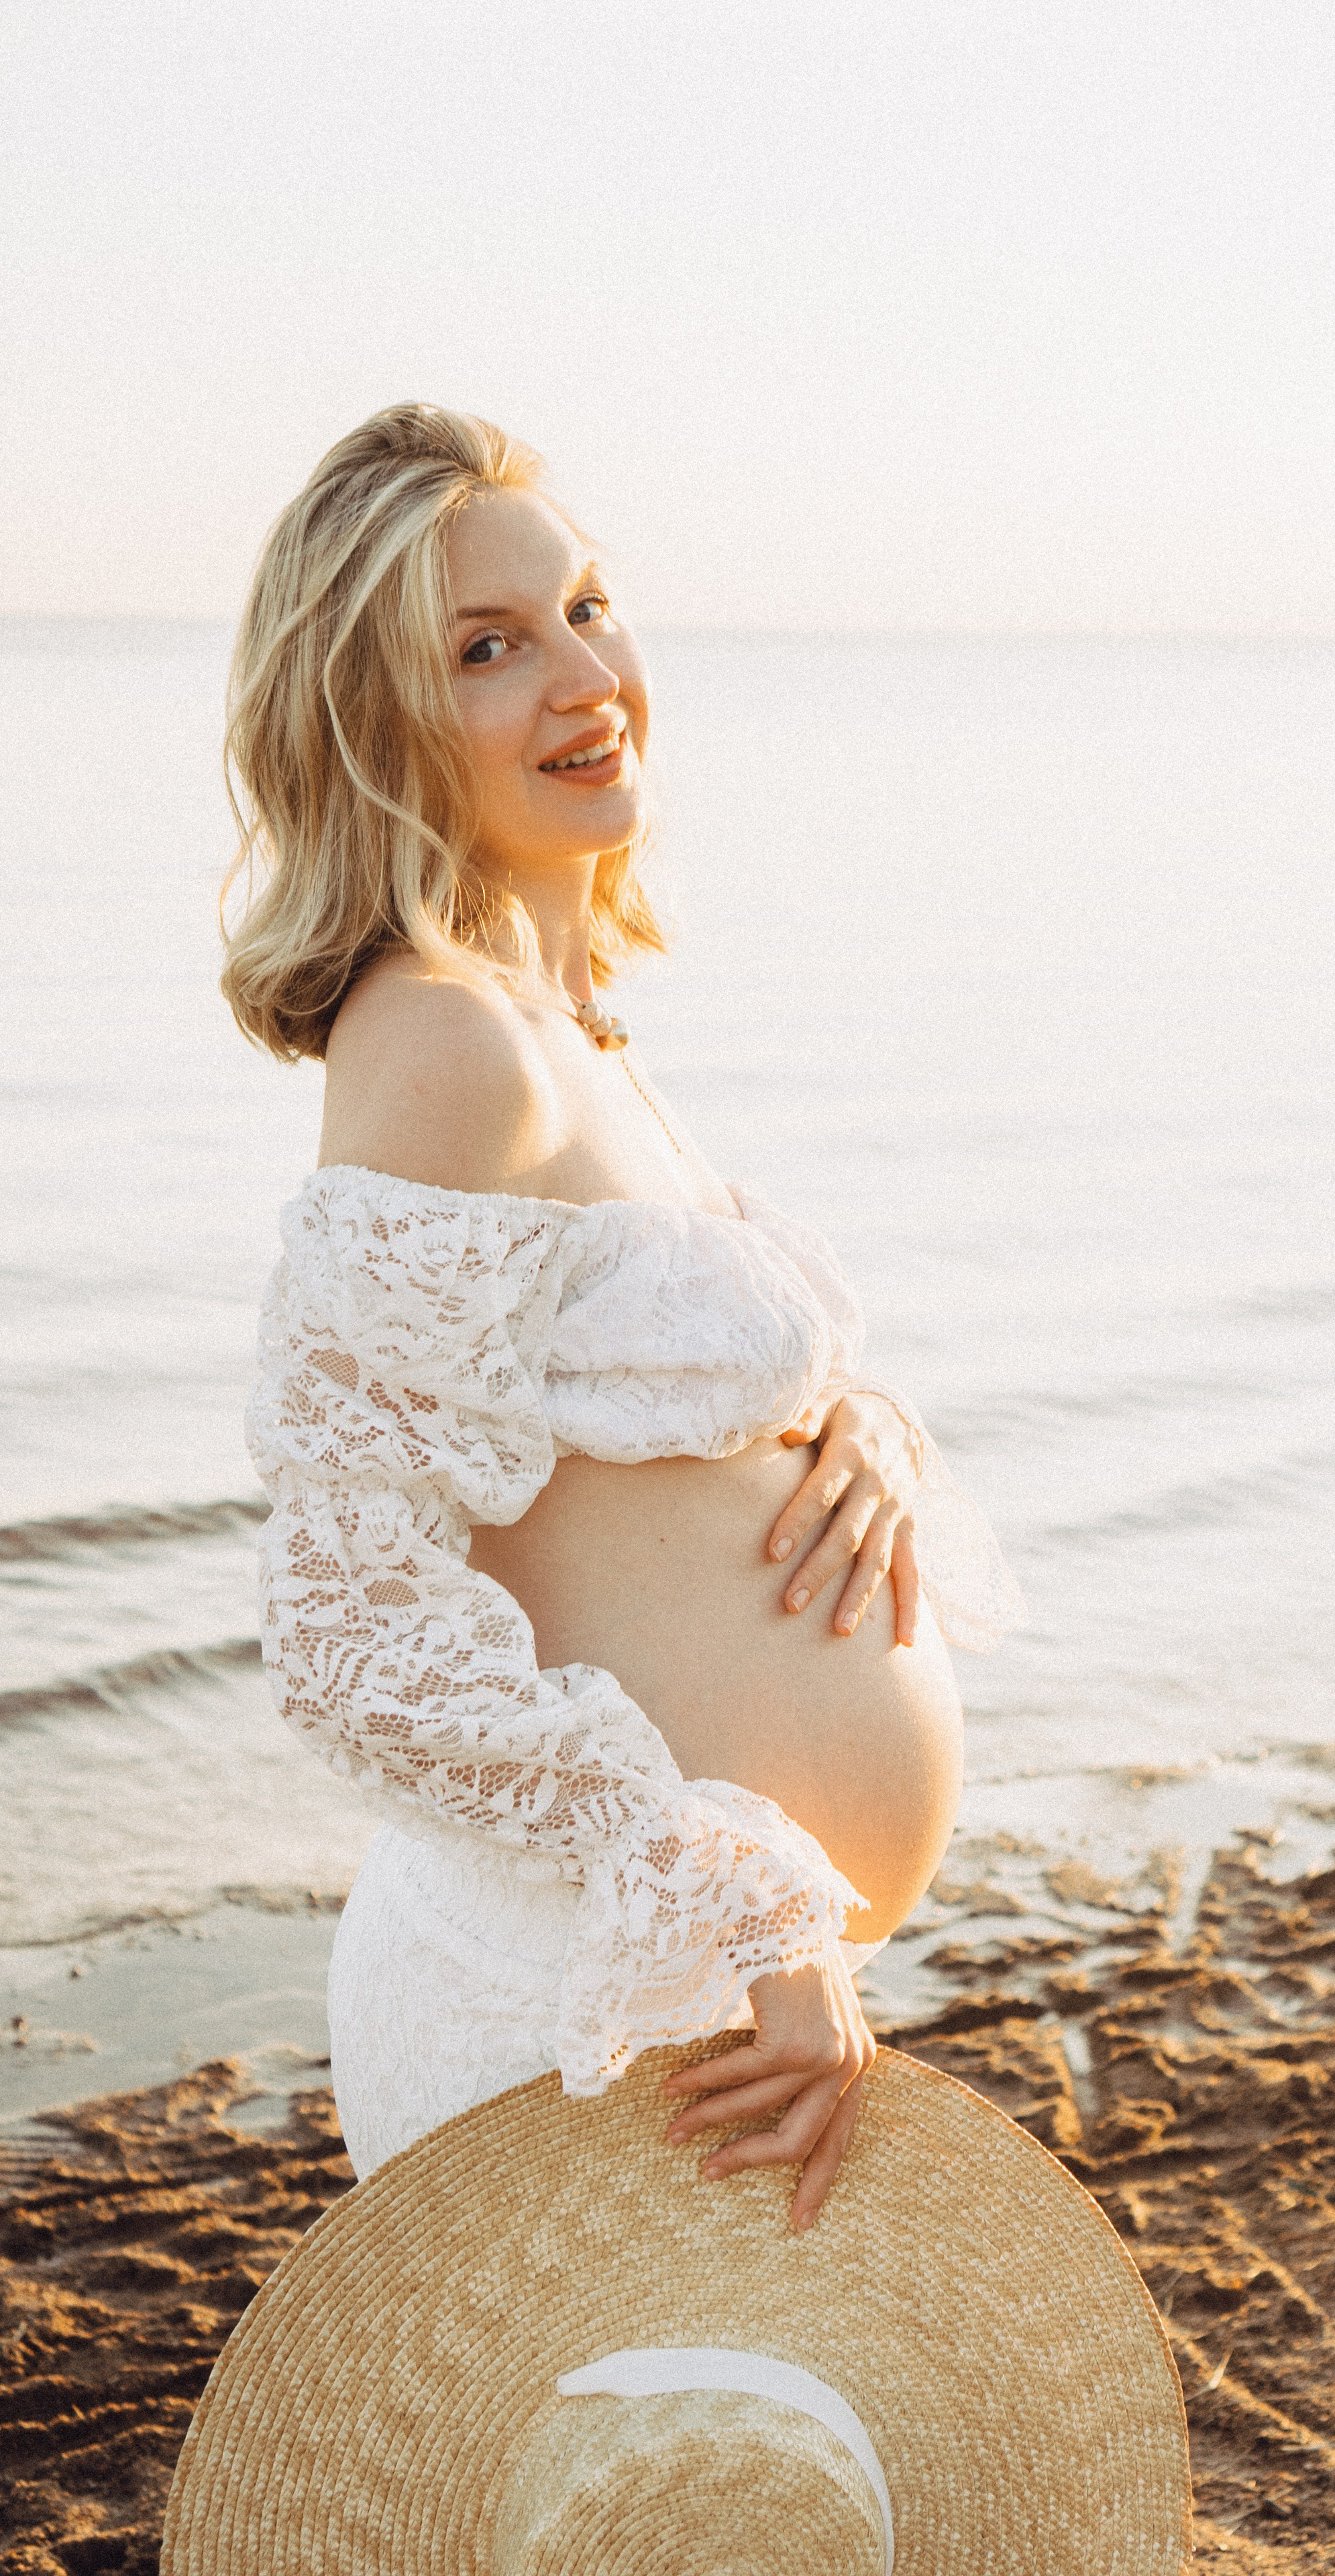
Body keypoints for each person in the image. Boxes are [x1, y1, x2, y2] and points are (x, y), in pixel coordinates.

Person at [227, 404, 1022, 2230]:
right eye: (488, 648)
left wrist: (854, 1435)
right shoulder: (441, 1040)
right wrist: (734, 1899)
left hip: (684, 1997)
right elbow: (351, 1626)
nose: (587, 675)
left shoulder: (570, 1033)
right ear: (377, 730)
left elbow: (624, 1427)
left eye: (586, 606)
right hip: (586, 2002)